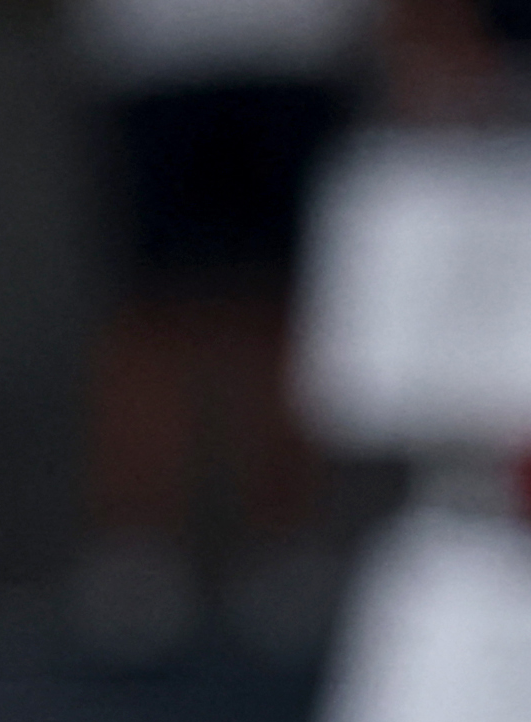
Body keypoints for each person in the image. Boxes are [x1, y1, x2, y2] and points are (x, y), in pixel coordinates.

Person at [68, 0, 377, 658]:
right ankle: (137, 557)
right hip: (154, 54)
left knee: (290, 317)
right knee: (154, 318)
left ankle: (284, 549)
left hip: (302, 48)